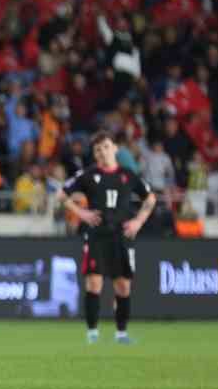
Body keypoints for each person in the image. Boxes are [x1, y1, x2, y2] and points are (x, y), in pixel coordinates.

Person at [60, 132, 155, 345]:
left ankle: (121, 333)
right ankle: (92, 333)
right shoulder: (88, 174)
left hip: (121, 237)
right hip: (96, 236)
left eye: (105, 147)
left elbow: (150, 198)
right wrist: (82, 213)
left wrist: (139, 221)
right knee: (94, 283)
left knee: (123, 286)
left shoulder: (128, 175)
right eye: (97, 149)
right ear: (94, 155)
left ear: (115, 149)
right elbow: (61, 195)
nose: (102, 152)